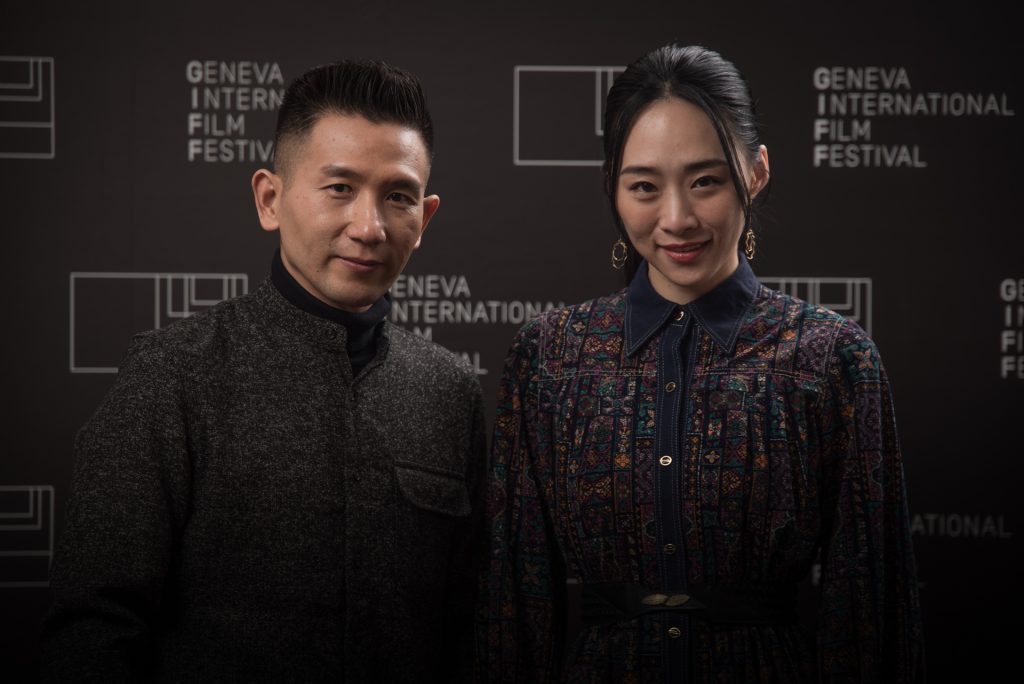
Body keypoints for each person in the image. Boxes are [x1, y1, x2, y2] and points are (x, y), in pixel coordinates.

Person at [479, 44, 924, 682]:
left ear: (757, 172)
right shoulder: (549, 358)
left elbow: (869, 606)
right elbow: (515, 605)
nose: (677, 219)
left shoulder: (831, 358)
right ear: (613, 187)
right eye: (644, 187)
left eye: (705, 182)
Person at [41, 59, 486, 682]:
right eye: (340, 188)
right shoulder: (173, 373)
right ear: (270, 199)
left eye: (398, 197)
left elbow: (468, 629)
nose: (369, 227)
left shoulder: (449, 391)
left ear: (425, 218)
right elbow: (93, 628)